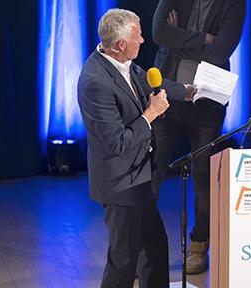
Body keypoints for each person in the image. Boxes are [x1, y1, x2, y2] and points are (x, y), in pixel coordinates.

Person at [77, 8, 189, 288]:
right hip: (120, 184)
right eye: (138, 36)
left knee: (154, 247)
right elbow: (117, 142)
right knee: (124, 260)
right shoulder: (95, 82)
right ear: (121, 45)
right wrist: (150, 114)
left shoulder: (123, 62)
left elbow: (149, 80)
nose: (143, 40)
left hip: (139, 177)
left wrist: (187, 90)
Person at [150, 0, 246, 274]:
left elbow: (220, 52)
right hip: (168, 94)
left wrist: (177, 35)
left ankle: (199, 245)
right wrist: (202, 38)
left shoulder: (235, 4)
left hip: (207, 102)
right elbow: (158, 33)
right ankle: (141, 245)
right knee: (152, 171)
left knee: (203, 176)